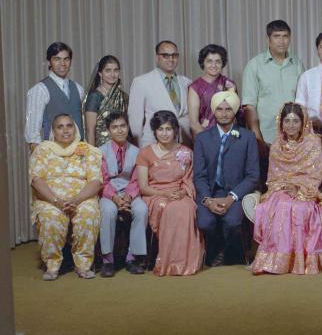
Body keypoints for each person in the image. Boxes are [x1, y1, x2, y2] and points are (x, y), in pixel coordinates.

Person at [251, 102, 322, 275]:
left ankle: (298, 262)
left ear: (303, 123)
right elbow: (273, 176)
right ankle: (278, 262)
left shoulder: (313, 143)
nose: (291, 125)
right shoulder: (276, 146)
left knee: (301, 208)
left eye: (295, 121)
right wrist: (284, 186)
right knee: (281, 205)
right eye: (286, 121)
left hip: (306, 190)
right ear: (281, 123)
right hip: (281, 189)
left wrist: (299, 189)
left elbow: (316, 174)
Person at [29, 114, 101, 280]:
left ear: (75, 129)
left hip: (82, 198)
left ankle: (83, 265)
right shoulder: (42, 150)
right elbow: (36, 180)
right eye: (60, 127)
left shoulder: (87, 150)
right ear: (53, 131)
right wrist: (57, 201)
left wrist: (76, 200)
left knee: (88, 214)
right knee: (50, 217)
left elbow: (96, 181)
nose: (65, 130)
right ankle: (52, 266)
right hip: (51, 199)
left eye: (69, 125)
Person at [193, 90, 259, 266]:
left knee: (232, 221)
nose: (223, 113)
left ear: (235, 111)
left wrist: (231, 198)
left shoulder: (247, 137)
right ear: (214, 111)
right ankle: (214, 251)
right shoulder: (202, 138)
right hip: (210, 193)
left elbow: (253, 176)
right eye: (219, 109)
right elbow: (199, 175)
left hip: (235, 193)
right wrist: (207, 200)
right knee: (205, 222)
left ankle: (229, 256)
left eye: (228, 109)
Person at [135, 110, 204, 276]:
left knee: (185, 209)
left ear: (175, 130)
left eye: (168, 129)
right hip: (155, 194)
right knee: (166, 207)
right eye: (160, 129)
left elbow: (189, 180)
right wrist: (165, 194)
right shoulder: (145, 153)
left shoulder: (186, 152)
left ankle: (184, 262)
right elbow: (143, 186)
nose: (164, 133)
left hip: (181, 194)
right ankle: (168, 261)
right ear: (154, 131)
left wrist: (182, 192)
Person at [98, 112, 148, 277]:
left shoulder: (137, 151)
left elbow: (137, 179)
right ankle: (107, 260)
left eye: (123, 126)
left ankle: (132, 257)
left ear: (128, 127)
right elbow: (102, 181)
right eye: (114, 127)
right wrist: (114, 197)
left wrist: (128, 197)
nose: (119, 130)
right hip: (108, 193)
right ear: (108, 130)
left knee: (141, 209)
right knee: (108, 211)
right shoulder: (100, 152)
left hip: (130, 191)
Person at [241, 19, 304, 146]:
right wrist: (257, 139)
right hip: (266, 138)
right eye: (276, 36)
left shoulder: (297, 64)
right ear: (268, 39)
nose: (281, 41)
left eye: (285, 36)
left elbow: (303, 102)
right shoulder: (254, 65)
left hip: (294, 137)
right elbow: (249, 106)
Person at [128, 40, 192, 147]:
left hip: (183, 145)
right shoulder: (141, 82)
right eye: (165, 55)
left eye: (174, 55)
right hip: (153, 145)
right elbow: (135, 121)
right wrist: (139, 149)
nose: (171, 59)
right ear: (157, 57)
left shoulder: (187, 82)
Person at [25, 42, 85, 149]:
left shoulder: (79, 89)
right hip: (53, 155)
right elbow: (33, 135)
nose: (62, 63)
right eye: (57, 59)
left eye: (66, 59)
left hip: (78, 155)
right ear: (49, 62)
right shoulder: (39, 90)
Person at [187, 44, 241, 137]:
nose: (214, 65)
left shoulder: (229, 84)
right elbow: (194, 123)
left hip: (229, 136)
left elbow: (234, 114)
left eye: (218, 62)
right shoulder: (195, 87)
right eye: (209, 61)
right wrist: (210, 141)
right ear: (203, 62)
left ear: (223, 63)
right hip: (204, 137)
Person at [83, 55, 129, 147]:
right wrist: (93, 154)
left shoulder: (123, 96)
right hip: (101, 148)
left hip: (122, 146)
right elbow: (90, 129)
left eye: (116, 70)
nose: (113, 74)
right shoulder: (94, 97)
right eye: (108, 70)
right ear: (100, 73)